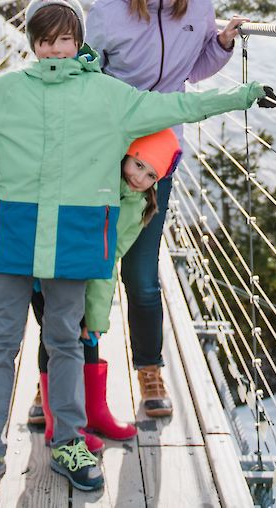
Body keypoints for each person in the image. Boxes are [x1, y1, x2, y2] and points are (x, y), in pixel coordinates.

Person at [0, 0, 269, 497]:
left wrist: (242, 95)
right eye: (45, 40)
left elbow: (180, 103)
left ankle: (69, 439)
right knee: (1, 342)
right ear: (32, 43)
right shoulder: (8, 91)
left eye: (65, 39)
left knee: (66, 339)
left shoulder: (111, 96)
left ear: (79, 40)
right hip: (18, 231)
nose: (55, 49)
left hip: (73, 233)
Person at [84, 0, 247, 418]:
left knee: (140, 269)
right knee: (84, 262)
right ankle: (63, 376)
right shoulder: (106, 11)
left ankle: (149, 371)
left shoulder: (199, 7)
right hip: (104, 143)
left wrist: (220, 45)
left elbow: (193, 69)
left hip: (159, 148)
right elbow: (85, 73)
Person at [29, 127, 182, 446]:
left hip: (88, 275)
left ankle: (92, 412)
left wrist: (96, 318)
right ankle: (60, 423)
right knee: (56, 336)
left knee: (84, 333)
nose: (140, 178)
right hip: (52, 265)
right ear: (124, 156)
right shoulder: (97, 178)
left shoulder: (139, 205)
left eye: (151, 175)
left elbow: (107, 259)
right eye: (138, 165)